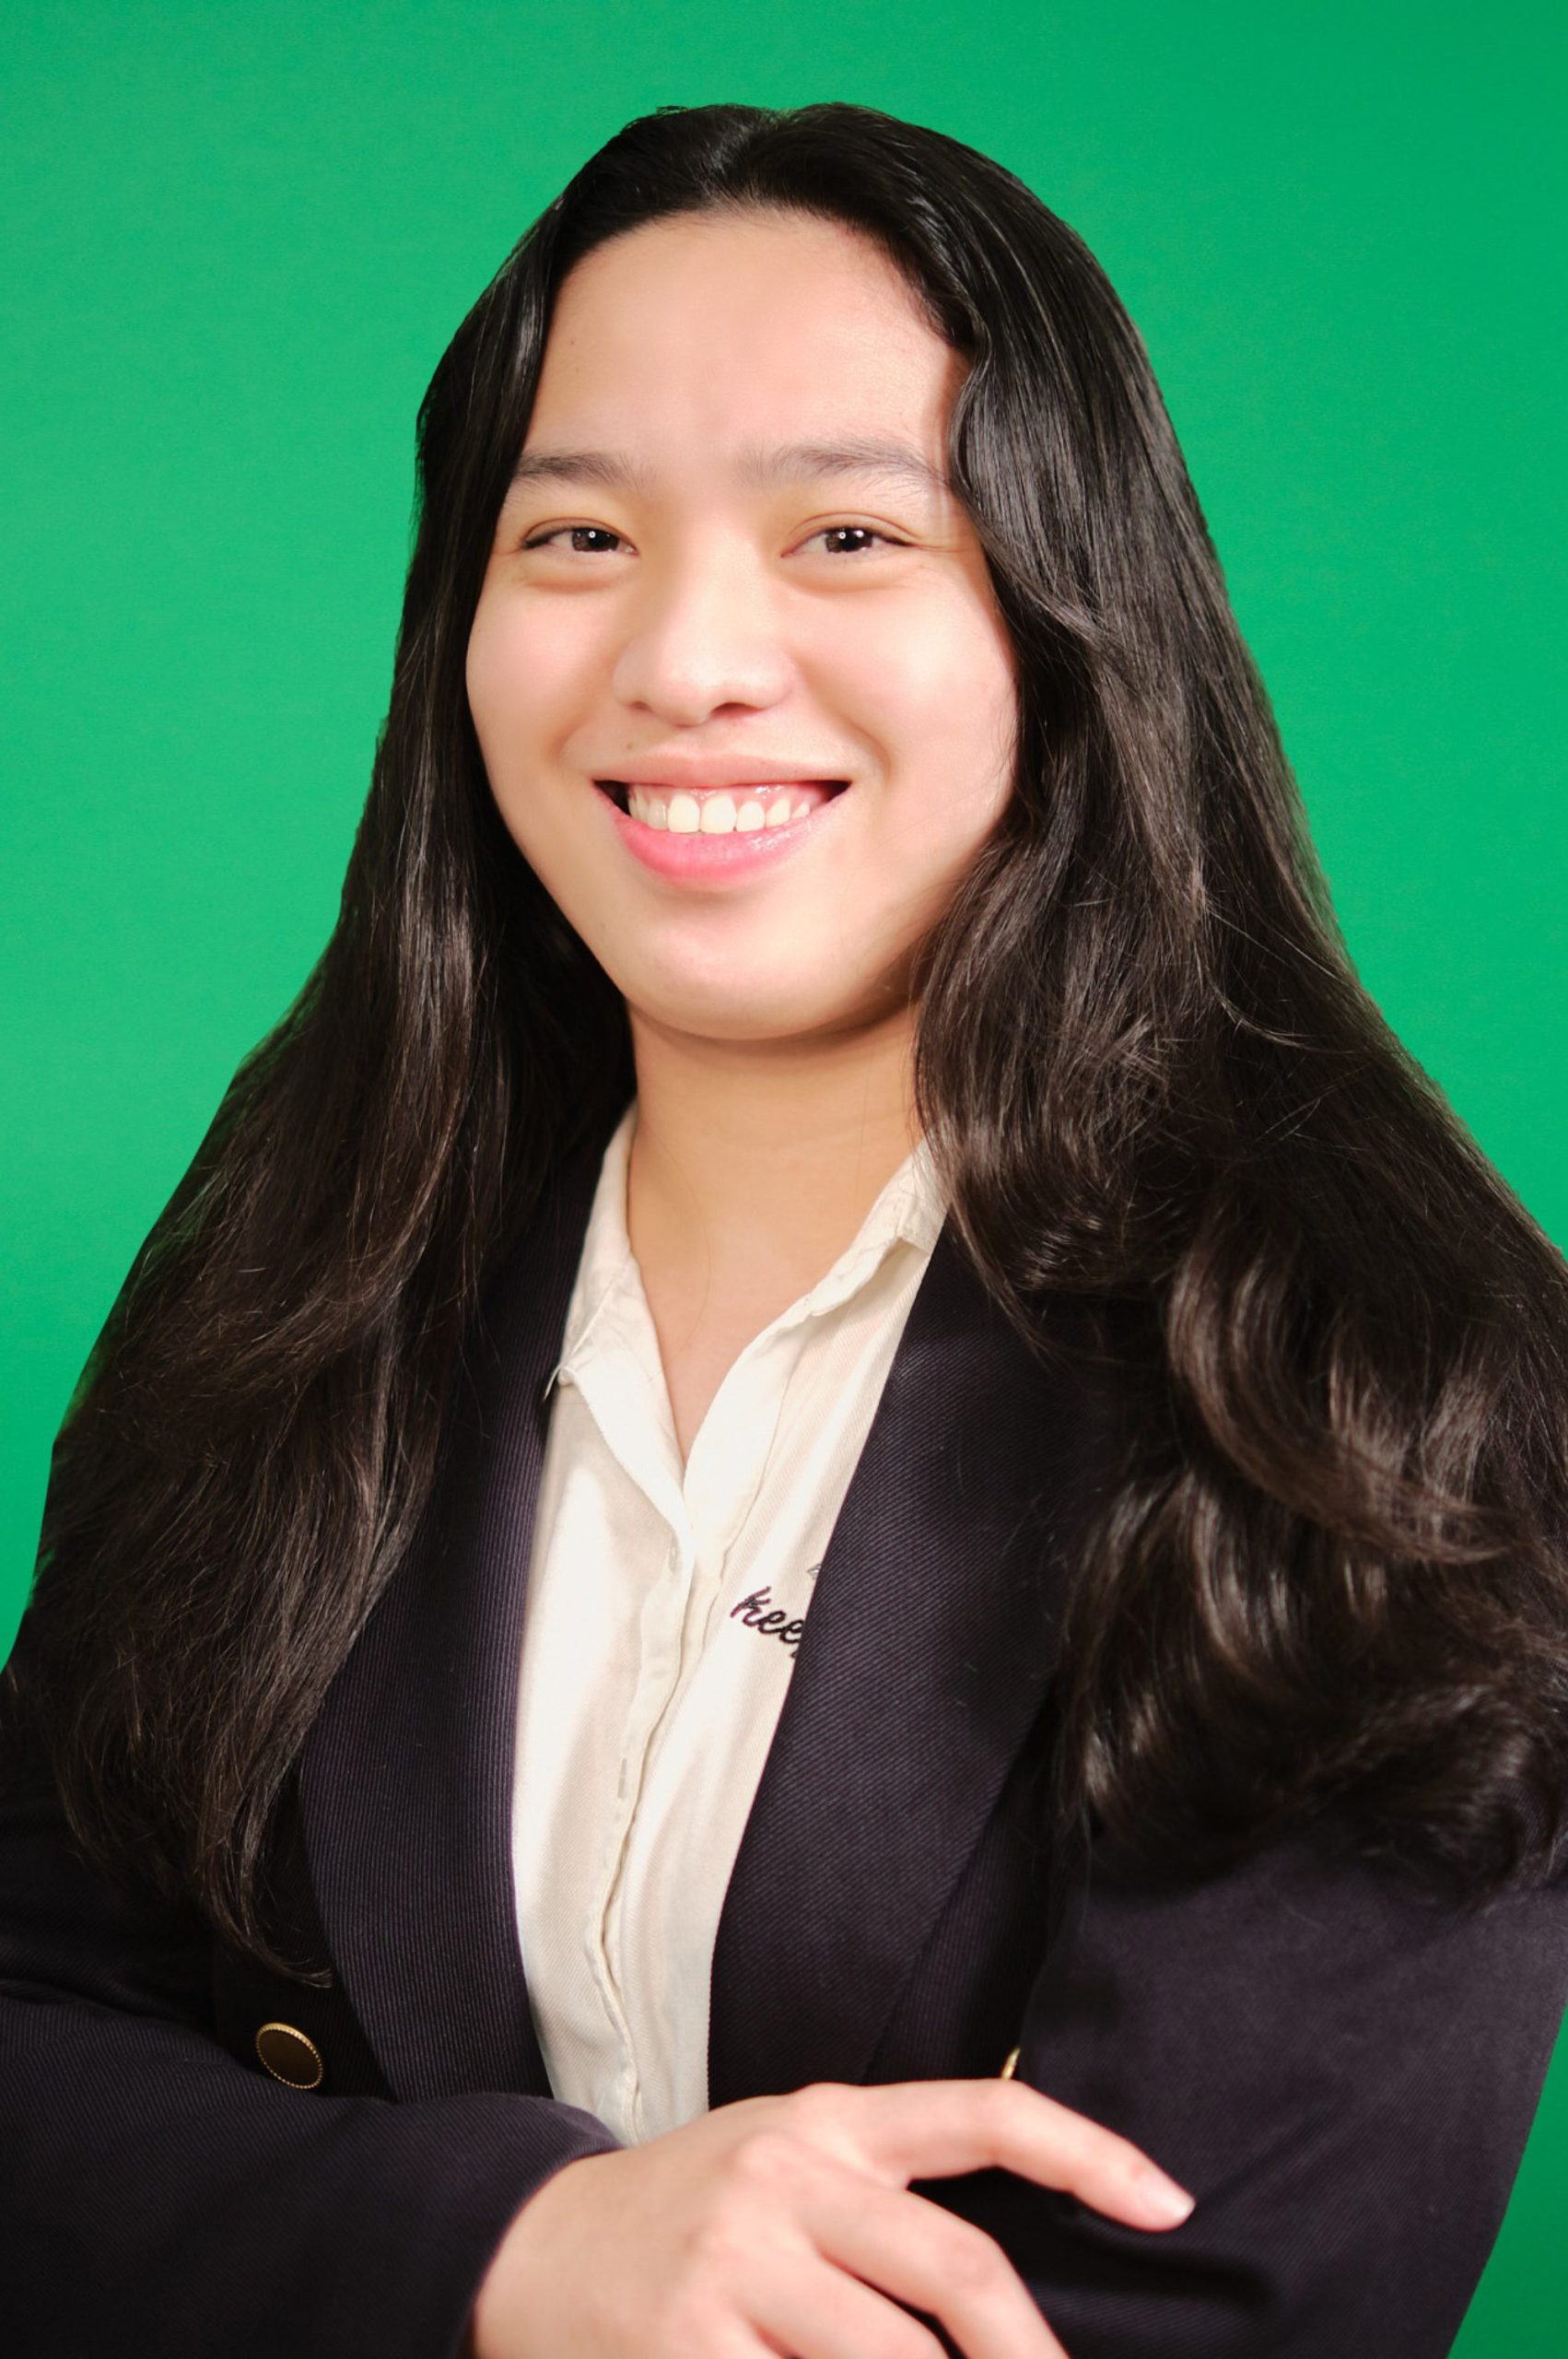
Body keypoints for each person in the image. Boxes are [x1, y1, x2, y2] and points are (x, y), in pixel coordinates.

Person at [3, 98, 1567, 2359]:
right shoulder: (296, 1272)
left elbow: (1199, 2304)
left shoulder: (1363, 1377)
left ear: (1066, 610)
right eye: (575, 535)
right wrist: (509, 2247)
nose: (685, 659)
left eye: (844, 530)